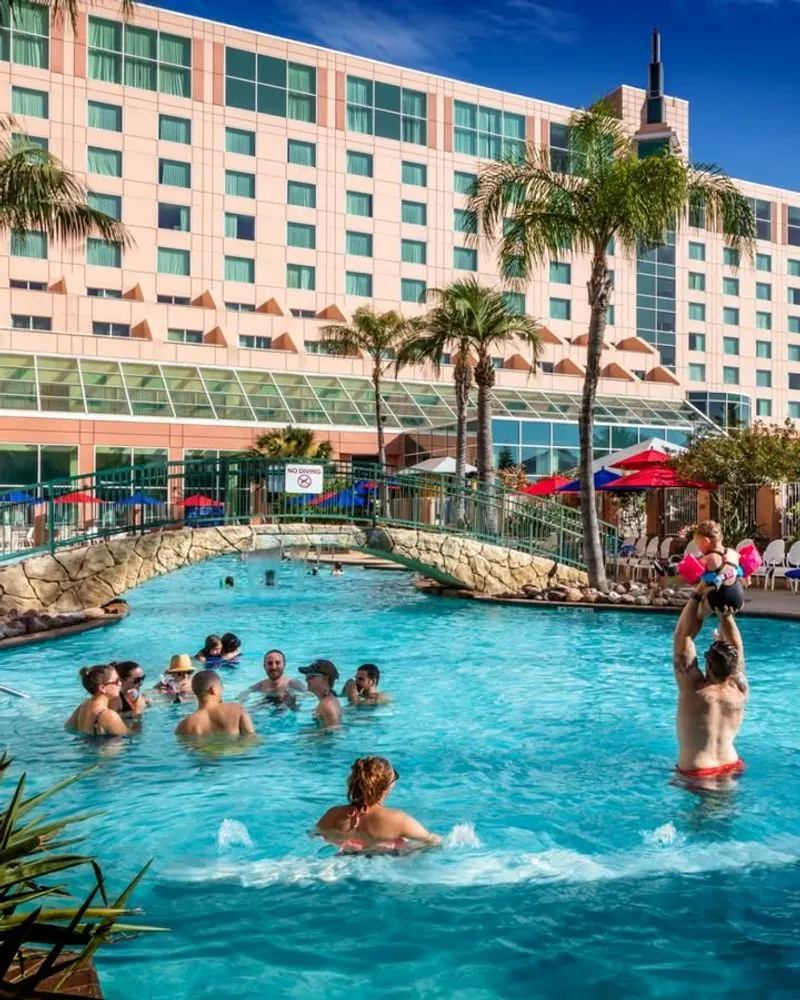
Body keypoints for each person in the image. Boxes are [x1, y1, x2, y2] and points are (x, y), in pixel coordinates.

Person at [672, 584, 748, 781]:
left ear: (707, 662)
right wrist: (726, 615)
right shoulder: (740, 689)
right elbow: (737, 647)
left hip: (698, 770)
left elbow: (683, 636)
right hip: (731, 765)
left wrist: (697, 595)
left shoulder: (695, 688)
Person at [314, 756, 440, 854]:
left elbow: (313, 836)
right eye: (394, 776)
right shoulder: (398, 819)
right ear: (387, 786)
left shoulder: (333, 814)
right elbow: (433, 842)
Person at [175, 670, 255, 737]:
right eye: (221, 687)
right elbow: (252, 739)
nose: (222, 690)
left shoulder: (183, 726)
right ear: (213, 690)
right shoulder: (237, 709)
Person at [65, 664, 133, 737]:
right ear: (102, 688)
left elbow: (68, 727)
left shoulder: (82, 706)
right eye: (117, 681)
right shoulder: (109, 715)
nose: (120, 683)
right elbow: (130, 736)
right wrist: (138, 710)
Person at [299, 659, 342, 727]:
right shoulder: (329, 700)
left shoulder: (327, 705)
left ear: (325, 679)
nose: (306, 679)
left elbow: (334, 731)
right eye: (307, 676)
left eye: (311, 676)